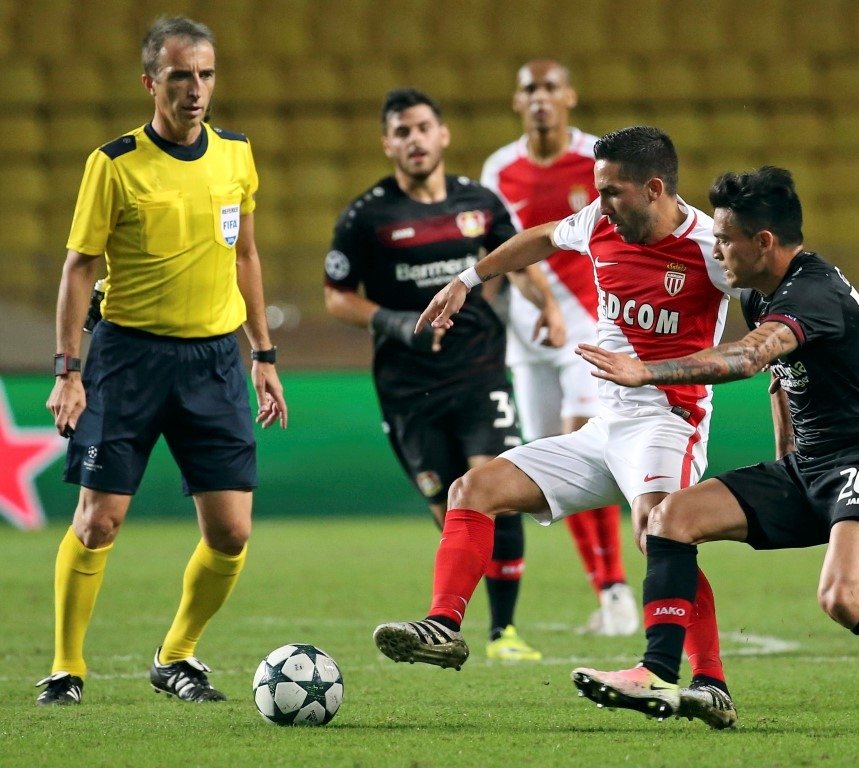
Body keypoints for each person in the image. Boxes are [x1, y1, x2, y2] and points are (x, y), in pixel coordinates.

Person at [569, 166, 859, 735]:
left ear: (764, 242)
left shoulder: (815, 291)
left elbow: (752, 356)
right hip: (809, 467)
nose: (716, 247)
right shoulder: (761, 290)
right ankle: (657, 670)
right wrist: (786, 456)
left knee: (843, 598)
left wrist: (645, 372)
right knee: (668, 518)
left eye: (725, 238)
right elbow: (779, 375)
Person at [374, 125, 741, 730]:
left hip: (668, 421)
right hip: (605, 427)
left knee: (661, 537)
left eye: (613, 192)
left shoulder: (709, 248)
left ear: (654, 189)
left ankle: (707, 681)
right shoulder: (599, 220)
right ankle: (441, 625)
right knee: (475, 489)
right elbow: (542, 238)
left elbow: (760, 323)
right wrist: (469, 281)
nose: (599, 203)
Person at [37, 16, 287, 706]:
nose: (196, 89)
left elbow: (246, 256)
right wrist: (68, 370)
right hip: (127, 357)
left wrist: (262, 354)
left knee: (232, 532)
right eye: (181, 76)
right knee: (98, 520)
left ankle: (176, 656)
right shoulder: (114, 163)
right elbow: (78, 268)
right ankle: (65, 668)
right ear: (152, 82)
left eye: (205, 74)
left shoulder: (237, 154)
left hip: (213, 361)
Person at [324, 88, 564, 662]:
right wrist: (393, 320)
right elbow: (336, 296)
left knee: (493, 489)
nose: (414, 140)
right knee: (451, 514)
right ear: (388, 143)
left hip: (480, 370)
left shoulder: (478, 201)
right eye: (401, 132)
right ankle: (451, 625)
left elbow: (516, 257)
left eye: (422, 128)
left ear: (443, 134)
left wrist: (548, 306)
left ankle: (501, 633)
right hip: (409, 390)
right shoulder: (366, 216)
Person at [480, 59, 637, 636]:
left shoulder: (599, 158)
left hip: (591, 322)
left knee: (582, 441)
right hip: (526, 333)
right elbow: (504, 249)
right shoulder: (500, 168)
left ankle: (616, 590)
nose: (541, 98)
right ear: (517, 102)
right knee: (549, 462)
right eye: (529, 90)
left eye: (550, 87)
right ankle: (608, 591)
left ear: (569, 96)